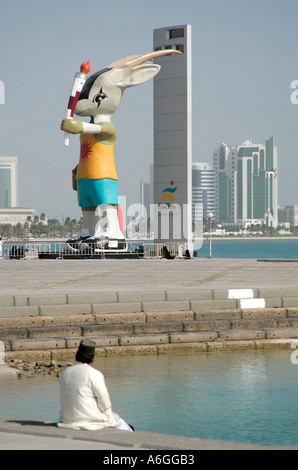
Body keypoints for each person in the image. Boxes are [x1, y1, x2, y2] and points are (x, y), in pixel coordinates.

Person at [58, 339, 133, 431]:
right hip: (89, 421)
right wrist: (107, 415)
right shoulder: (94, 374)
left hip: (66, 420)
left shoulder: (65, 373)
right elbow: (104, 401)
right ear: (93, 359)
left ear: (76, 356)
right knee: (121, 423)